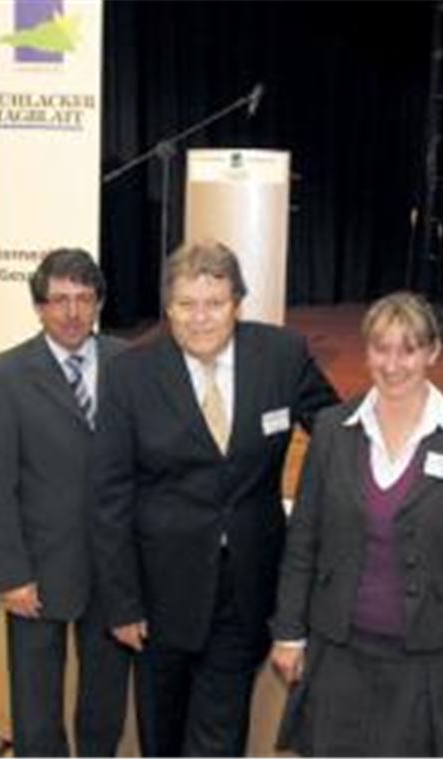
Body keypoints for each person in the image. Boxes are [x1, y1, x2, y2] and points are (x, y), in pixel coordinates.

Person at [91, 239, 340, 756]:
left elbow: (339, 431)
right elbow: (109, 497)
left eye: (215, 303)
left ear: (237, 304)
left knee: (221, 735)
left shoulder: (281, 355)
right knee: (162, 735)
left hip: (246, 586)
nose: (200, 318)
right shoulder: (128, 375)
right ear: (168, 307)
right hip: (158, 595)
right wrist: (122, 603)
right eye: (186, 304)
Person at [268, 292, 443, 756]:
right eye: (381, 348)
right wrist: (289, 632)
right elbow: (303, 541)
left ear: (433, 352)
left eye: (409, 349)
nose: (393, 364)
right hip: (337, 651)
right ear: (367, 351)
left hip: (426, 659)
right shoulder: (334, 430)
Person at [0, 248, 131, 756]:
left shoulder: (127, 362)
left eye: (84, 299)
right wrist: (11, 574)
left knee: (104, 702)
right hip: (37, 573)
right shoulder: (2, 375)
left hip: (112, 569)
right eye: (59, 300)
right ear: (38, 307)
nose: (71, 312)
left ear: (99, 304)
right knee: (36, 710)